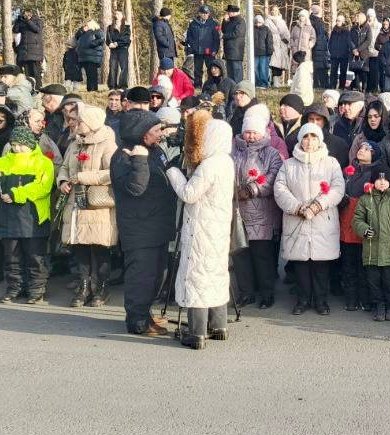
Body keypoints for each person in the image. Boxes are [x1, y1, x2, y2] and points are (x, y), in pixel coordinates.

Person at [165, 115, 234, 350]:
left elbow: (189, 194)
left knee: (197, 275)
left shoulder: (209, 165)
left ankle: (196, 332)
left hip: (201, 226)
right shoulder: (226, 161)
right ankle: (219, 326)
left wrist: (173, 173)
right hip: (218, 226)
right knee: (216, 272)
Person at [110, 109, 177, 335]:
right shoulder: (124, 156)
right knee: (141, 277)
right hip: (139, 229)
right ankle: (137, 322)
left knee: (156, 275)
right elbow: (136, 188)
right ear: (141, 132)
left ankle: (145, 312)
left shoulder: (154, 150)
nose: (161, 133)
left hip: (156, 226)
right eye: (156, 130)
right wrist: (139, 159)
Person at [274, 122, 345, 316]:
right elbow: (280, 189)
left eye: (313, 137)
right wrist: (297, 207)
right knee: (301, 264)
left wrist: (318, 205)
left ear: (320, 140)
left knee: (321, 264)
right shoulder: (288, 165)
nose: (309, 141)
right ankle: (303, 299)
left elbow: (338, 188)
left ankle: (321, 300)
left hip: (323, 220)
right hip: (297, 220)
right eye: (306, 137)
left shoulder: (331, 163)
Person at [57, 104, 118, 307]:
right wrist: (63, 181)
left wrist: (83, 177)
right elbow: (65, 167)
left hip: (97, 206)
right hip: (77, 203)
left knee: (99, 249)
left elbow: (113, 172)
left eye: (79, 121)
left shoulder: (107, 144)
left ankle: (100, 288)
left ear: (90, 123)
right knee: (81, 248)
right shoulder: (75, 143)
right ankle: (83, 288)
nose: (74, 124)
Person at [231, 104, 283, 309]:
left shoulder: (271, 153)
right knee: (241, 254)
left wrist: (253, 189)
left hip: (262, 212)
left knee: (262, 256)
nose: (250, 136)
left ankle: (266, 293)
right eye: (247, 132)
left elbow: (273, 176)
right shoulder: (235, 151)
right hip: (238, 211)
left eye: (254, 132)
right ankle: (246, 292)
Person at [0, 126, 54, 304]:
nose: (17, 149)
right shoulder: (4, 161)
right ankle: (15, 288)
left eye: (21, 145)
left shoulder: (43, 162)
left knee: (35, 256)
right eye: (14, 145)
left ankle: (36, 289)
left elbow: (43, 188)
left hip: (33, 216)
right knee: (12, 257)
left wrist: (16, 194)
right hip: (8, 216)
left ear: (30, 144)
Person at [352, 168, 390, 321]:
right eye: (379, 179)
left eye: (385, 179)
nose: (382, 182)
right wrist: (364, 230)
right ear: (373, 181)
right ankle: (379, 305)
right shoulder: (366, 198)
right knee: (373, 281)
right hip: (371, 249)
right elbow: (357, 219)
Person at [339, 141, 380, 311]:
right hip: (347, 222)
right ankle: (351, 298)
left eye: (367, 149)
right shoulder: (348, 171)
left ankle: (365, 298)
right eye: (361, 148)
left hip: (365, 223)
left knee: (365, 266)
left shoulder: (377, 173)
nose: (361, 151)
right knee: (348, 264)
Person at [183, 5, 221, 87]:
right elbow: (189, 37)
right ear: (199, 13)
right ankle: (197, 85)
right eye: (203, 13)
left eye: (207, 13)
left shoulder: (213, 23)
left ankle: (212, 85)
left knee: (211, 69)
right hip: (198, 51)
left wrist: (215, 50)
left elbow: (216, 39)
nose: (205, 15)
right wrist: (191, 47)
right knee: (197, 70)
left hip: (209, 51)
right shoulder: (193, 23)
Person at [12, 7, 44, 88]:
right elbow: (15, 30)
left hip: (35, 52)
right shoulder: (21, 22)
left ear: (31, 13)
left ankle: (37, 88)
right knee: (27, 74)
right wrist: (18, 20)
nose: (26, 15)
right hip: (24, 52)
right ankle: (30, 88)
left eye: (28, 13)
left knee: (36, 73)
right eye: (24, 13)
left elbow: (36, 29)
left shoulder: (37, 20)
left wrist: (28, 20)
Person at [74, 20, 105, 92]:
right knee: (88, 74)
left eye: (88, 25)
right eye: (86, 25)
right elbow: (76, 36)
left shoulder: (97, 31)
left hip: (93, 55)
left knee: (92, 73)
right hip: (83, 56)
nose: (86, 26)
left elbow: (101, 40)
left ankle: (93, 89)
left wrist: (92, 43)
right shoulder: (83, 32)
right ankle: (90, 89)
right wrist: (82, 30)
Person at [265, 5, 291, 88]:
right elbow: (266, 32)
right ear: (271, 11)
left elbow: (286, 32)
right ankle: (274, 81)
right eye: (273, 10)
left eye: (276, 10)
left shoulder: (281, 21)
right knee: (273, 63)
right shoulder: (267, 21)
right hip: (272, 42)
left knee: (280, 63)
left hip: (281, 44)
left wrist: (287, 40)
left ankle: (278, 81)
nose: (274, 12)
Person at [106, 11, 132, 89]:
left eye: (118, 14)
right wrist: (110, 44)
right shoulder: (110, 27)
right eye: (115, 14)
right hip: (113, 50)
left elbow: (126, 39)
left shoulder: (126, 27)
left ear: (122, 16)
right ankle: (112, 86)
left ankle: (123, 86)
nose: (116, 15)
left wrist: (117, 43)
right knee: (113, 67)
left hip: (123, 49)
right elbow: (108, 38)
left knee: (124, 68)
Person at [222, 5, 246, 82]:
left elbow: (238, 33)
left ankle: (238, 85)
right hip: (228, 49)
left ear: (234, 12)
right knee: (230, 70)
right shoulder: (229, 21)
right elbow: (224, 30)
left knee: (236, 69)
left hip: (236, 49)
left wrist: (225, 36)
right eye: (228, 12)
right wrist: (224, 21)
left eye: (229, 12)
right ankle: (231, 85)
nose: (228, 13)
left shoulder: (240, 21)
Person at [308, 6, 329, 89]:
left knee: (322, 66)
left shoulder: (319, 21)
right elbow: (318, 34)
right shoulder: (314, 21)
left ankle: (322, 84)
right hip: (317, 46)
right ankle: (317, 84)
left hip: (322, 46)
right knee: (317, 66)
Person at [252, 15, 275, 89]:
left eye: (259, 22)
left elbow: (269, 41)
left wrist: (270, 51)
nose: (258, 24)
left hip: (264, 53)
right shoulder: (252, 29)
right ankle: (257, 83)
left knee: (263, 68)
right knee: (255, 68)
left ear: (262, 22)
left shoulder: (266, 29)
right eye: (256, 22)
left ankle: (264, 83)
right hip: (254, 53)